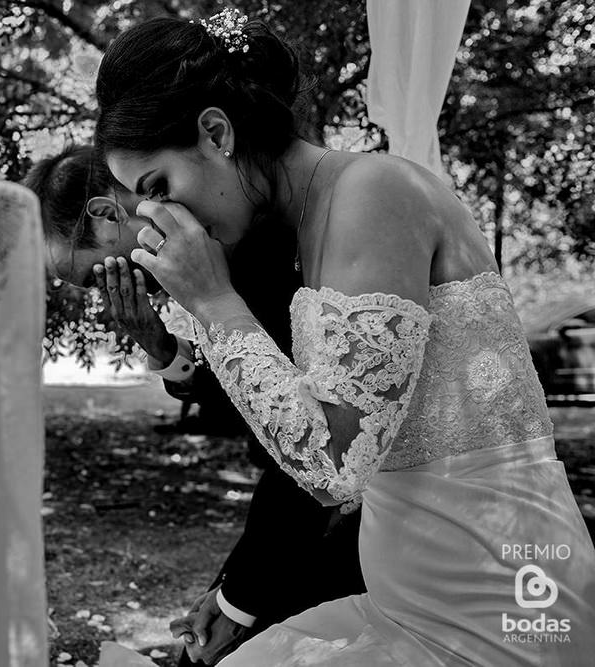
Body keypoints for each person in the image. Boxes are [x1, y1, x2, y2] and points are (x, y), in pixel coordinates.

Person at [93, 8, 595, 666]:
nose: (160, 219)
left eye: (158, 188)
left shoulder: (372, 192)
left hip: (499, 607)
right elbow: (299, 436)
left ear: (216, 132)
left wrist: (214, 303)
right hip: (408, 604)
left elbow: (334, 467)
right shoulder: (309, 227)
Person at [23, 146, 365, 666]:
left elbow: (308, 444)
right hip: (298, 505)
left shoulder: (255, 249)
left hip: (347, 517)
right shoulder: (203, 269)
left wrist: (238, 600)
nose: (102, 293)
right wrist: (163, 350)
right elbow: (256, 414)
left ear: (105, 215)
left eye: (92, 275)